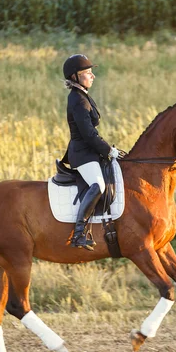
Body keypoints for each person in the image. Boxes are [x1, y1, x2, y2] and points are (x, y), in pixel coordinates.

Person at [62, 54, 120, 250]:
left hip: (89, 152)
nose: (92, 76)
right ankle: (79, 233)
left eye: (91, 72)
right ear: (75, 77)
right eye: (87, 73)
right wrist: (108, 150)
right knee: (98, 185)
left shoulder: (83, 95)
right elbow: (88, 134)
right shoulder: (77, 99)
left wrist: (109, 150)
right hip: (82, 154)